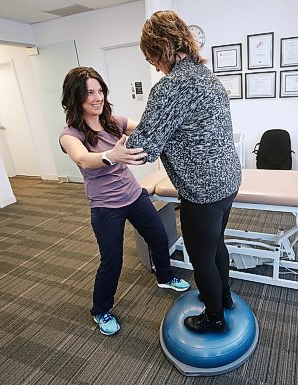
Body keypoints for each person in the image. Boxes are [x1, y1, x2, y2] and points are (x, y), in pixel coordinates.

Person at [126, 10, 242, 333]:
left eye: (151, 56)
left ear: (160, 46)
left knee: (200, 257)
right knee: (216, 244)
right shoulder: (206, 76)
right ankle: (226, 299)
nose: (153, 65)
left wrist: (112, 144)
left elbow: (143, 148)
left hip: (202, 190)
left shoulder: (169, 88)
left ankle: (214, 317)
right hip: (227, 179)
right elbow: (181, 127)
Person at [59, 67, 190, 336]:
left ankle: (164, 278)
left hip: (133, 195)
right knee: (112, 261)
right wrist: (112, 155)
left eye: (100, 91)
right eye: (89, 93)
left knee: (158, 236)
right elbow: (84, 159)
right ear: (76, 97)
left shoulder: (114, 122)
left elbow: (146, 127)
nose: (97, 98)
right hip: (106, 207)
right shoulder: (70, 135)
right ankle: (100, 310)